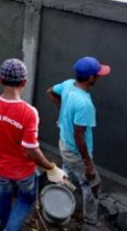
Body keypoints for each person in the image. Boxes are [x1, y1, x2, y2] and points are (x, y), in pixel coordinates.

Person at [0, 58, 67, 231]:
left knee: (2, 198)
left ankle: (5, 224)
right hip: (24, 172)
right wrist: (51, 168)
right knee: (26, 199)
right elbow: (30, 149)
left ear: (0, 79)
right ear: (24, 82)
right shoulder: (29, 113)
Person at [47, 57, 111, 228]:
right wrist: (88, 164)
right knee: (93, 184)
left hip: (64, 144)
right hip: (75, 151)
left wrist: (63, 113)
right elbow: (79, 136)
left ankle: (57, 204)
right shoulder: (84, 104)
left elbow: (50, 91)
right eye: (97, 75)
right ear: (91, 78)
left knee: (67, 174)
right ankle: (90, 220)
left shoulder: (68, 84)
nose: (99, 77)